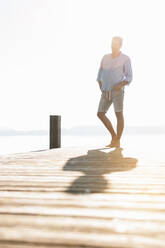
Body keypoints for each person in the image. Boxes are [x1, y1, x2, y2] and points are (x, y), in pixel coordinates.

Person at [96, 36, 133, 148]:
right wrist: (100, 83)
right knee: (100, 113)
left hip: (118, 91)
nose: (113, 45)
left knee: (118, 114)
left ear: (120, 45)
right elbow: (100, 72)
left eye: (116, 43)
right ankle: (114, 136)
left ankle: (117, 141)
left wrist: (120, 85)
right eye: (112, 43)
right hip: (105, 90)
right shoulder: (105, 57)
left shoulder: (125, 58)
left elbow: (129, 76)